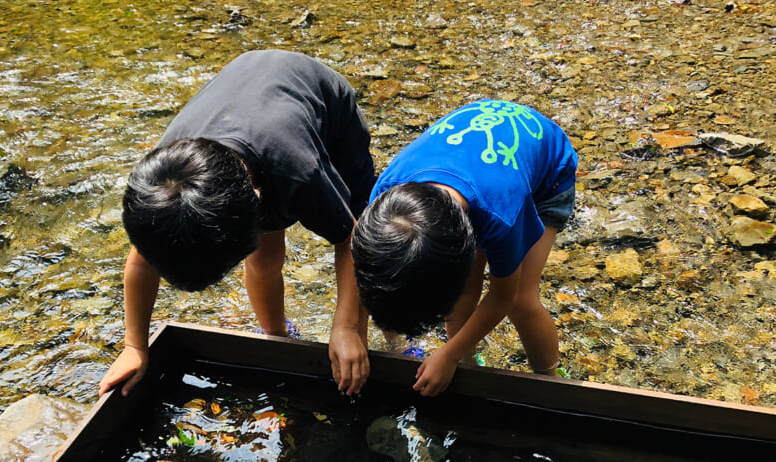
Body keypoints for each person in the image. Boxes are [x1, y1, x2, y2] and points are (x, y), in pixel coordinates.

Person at [98, 50, 375, 398]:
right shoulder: (166, 183)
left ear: (257, 201)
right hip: (243, 105)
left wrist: (345, 325)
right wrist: (135, 346)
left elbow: (351, 238)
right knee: (265, 258)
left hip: (326, 109)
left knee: (366, 231)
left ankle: (362, 350)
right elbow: (142, 260)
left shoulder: (300, 172)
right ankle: (275, 335)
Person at [352, 99, 578, 397]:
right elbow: (377, 280)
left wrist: (448, 354)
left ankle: (550, 378)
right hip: (476, 160)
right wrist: (385, 341)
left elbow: (502, 297)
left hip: (547, 172)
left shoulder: (502, 217)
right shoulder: (384, 206)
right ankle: (468, 361)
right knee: (463, 290)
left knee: (523, 299)